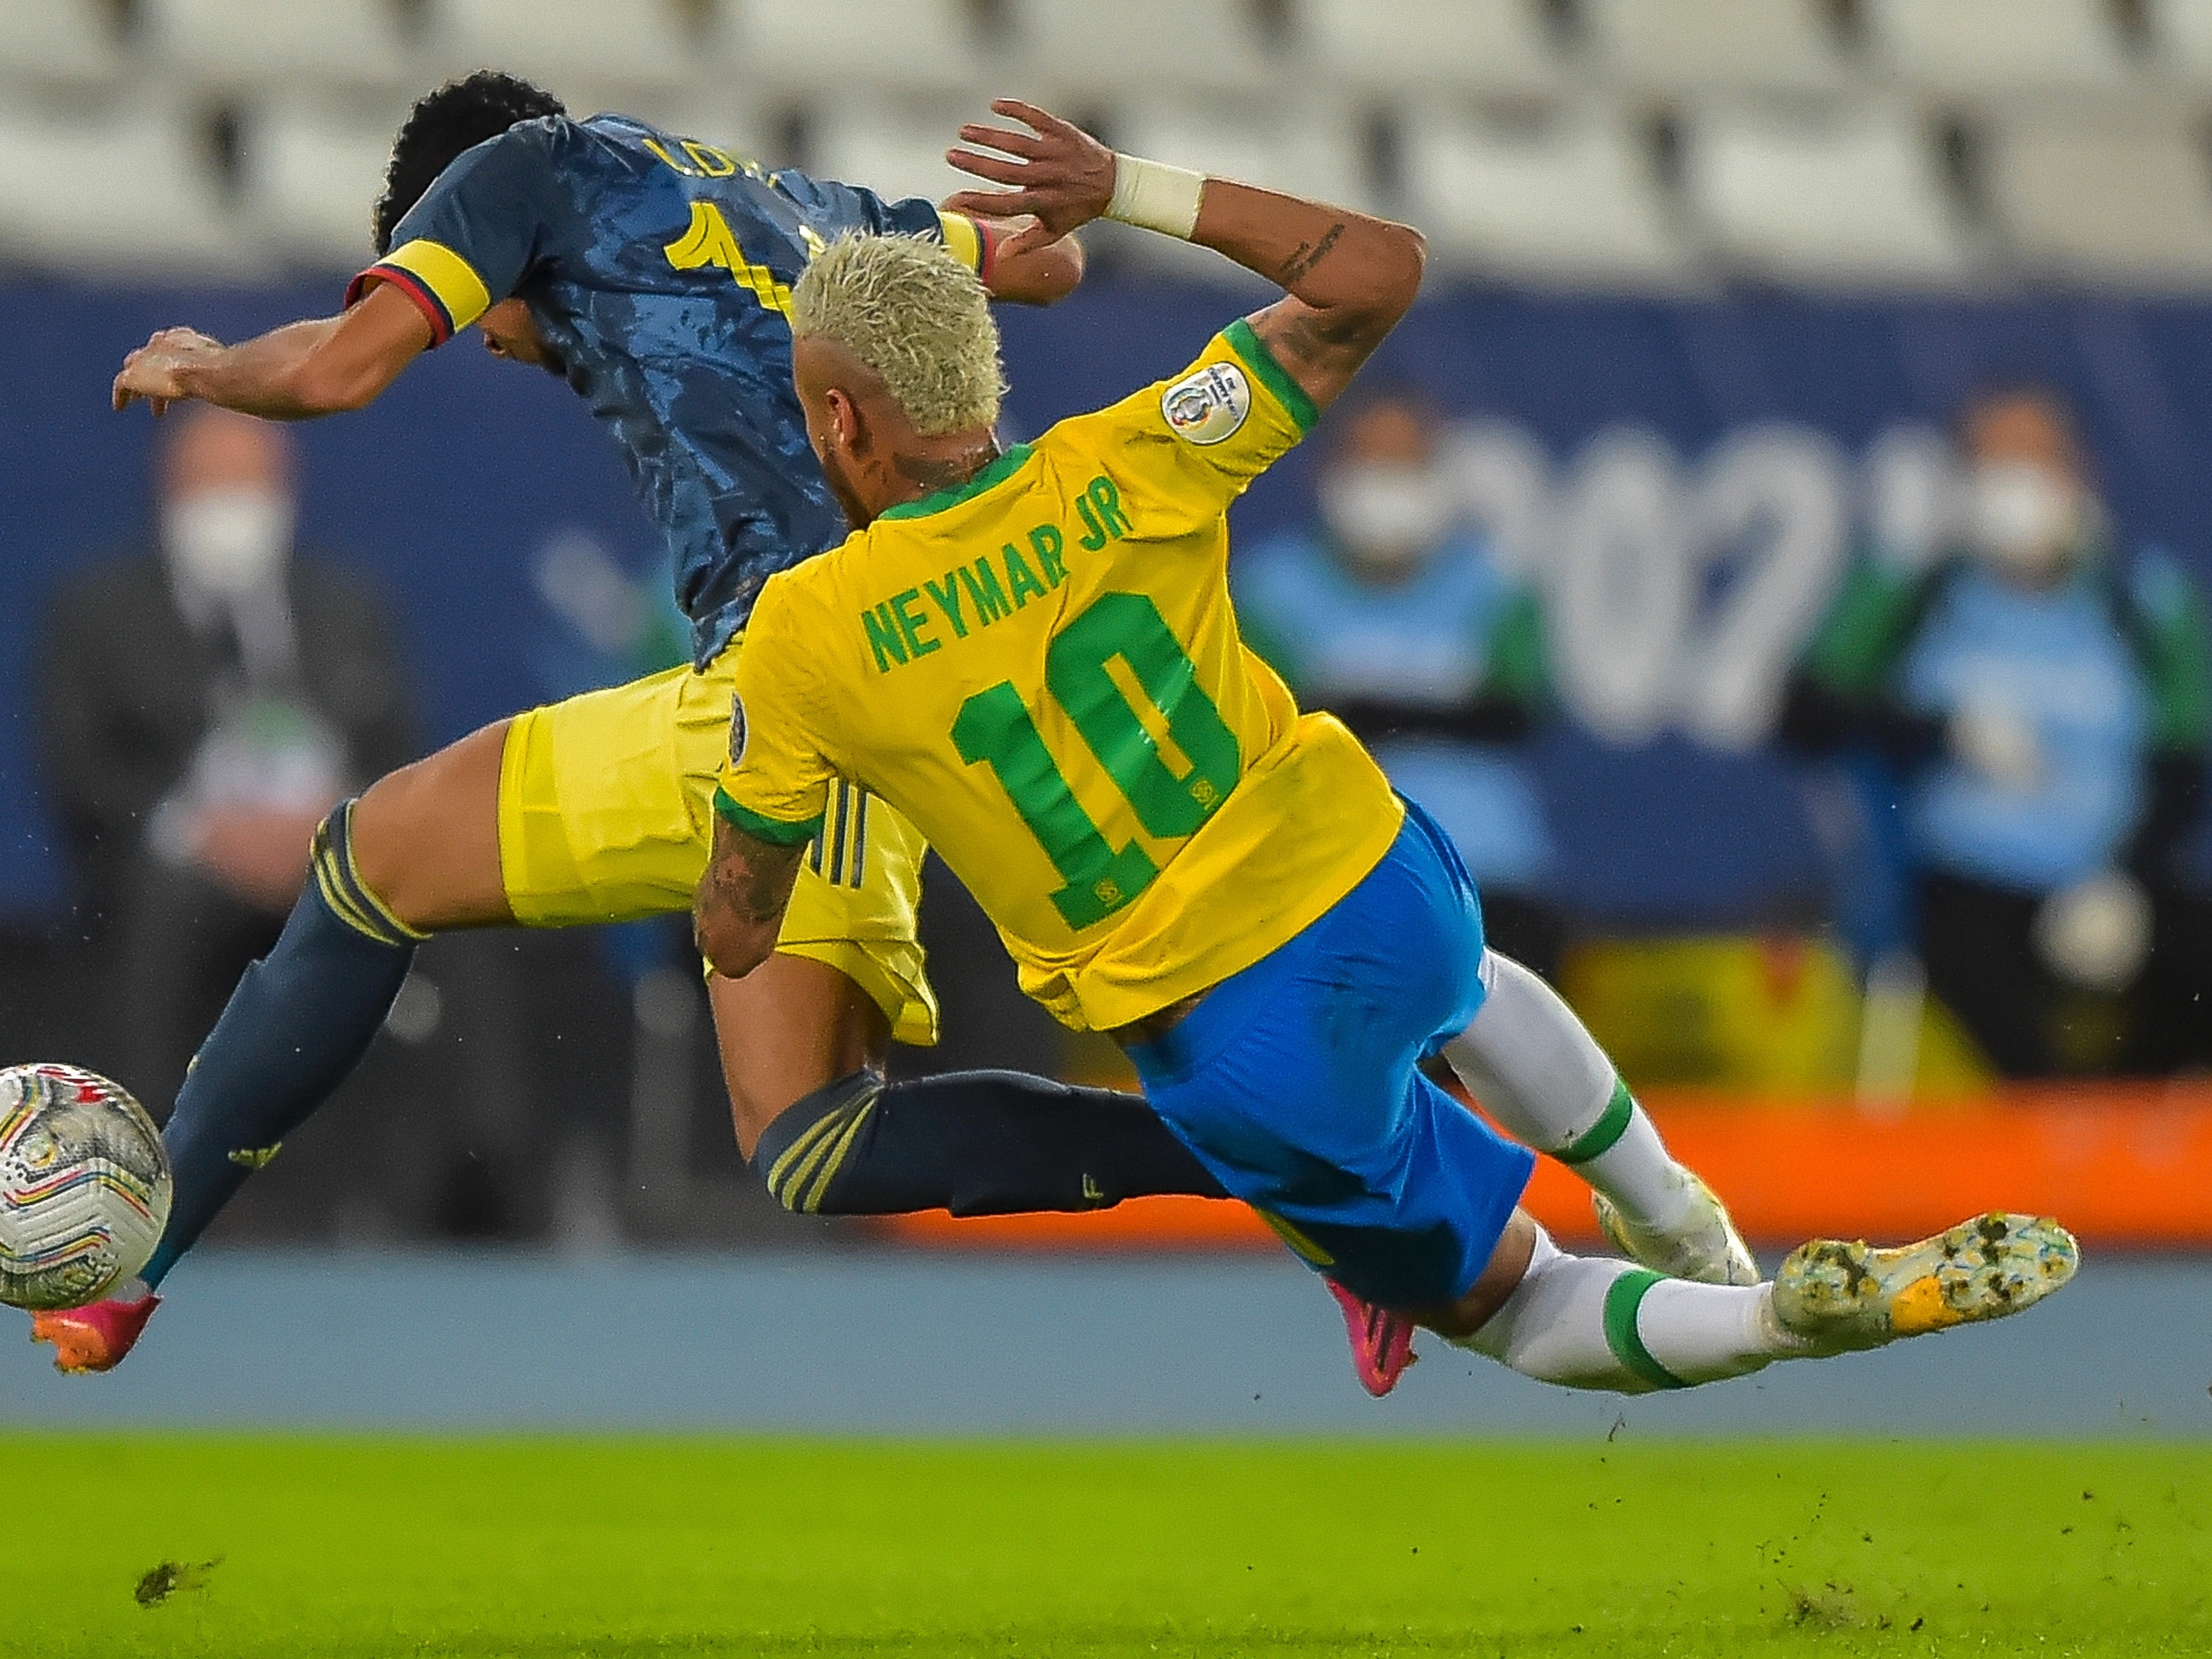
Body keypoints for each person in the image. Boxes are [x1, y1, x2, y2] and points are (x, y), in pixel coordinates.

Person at [695, 103, 2078, 1398]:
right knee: (1472, 984)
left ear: (839, 418)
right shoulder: (1131, 459)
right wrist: (1127, 189)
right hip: (1377, 880)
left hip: (1229, 1033)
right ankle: (1679, 1207)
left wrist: (769, 833)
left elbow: (744, 926)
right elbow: (1376, 272)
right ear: (985, 381)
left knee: (1509, 1301)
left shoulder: (808, 632)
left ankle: (1773, 1315)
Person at [35, 71, 1217, 1375]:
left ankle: (140, 1262)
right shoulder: (791, 204)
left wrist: (209, 368)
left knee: (370, 865)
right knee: (811, 1140)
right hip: (897, 665)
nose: (479, 331)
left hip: (792, 684)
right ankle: (1273, 1169)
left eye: (455, 284)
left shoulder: (525, 171)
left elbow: (338, 367)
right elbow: (1044, 270)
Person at [1782, 389, 2211, 1078]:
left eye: (2035, 458)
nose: (2015, 481)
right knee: (1969, 954)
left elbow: (2183, 762)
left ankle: (2131, 1114)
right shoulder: (1914, 594)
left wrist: (2126, 876)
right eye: (1991, 460)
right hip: (1969, 878)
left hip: (2108, 873)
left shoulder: (2144, 601)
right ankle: (2049, 1121)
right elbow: (1803, 713)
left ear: (2081, 472)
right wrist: (1943, 729)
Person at [37, 407, 415, 1102]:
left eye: (250, 484)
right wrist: (202, 832)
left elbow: (402, 755)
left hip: (330, 852)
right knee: (158, 910)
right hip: (181, 864)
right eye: (211, 484)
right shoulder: (97, 613)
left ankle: (483, 1176)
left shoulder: (346, 606)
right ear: (166, 489)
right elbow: (81, 771)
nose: (232, 508)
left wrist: (329, 827)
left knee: (459, 908)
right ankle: (154, 1161)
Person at [1234, 388, 1560, 976]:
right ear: (1330, 473)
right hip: (1330, 872)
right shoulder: (1271, 592)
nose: (1389, 485)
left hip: (1485, 871)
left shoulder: (1496, 590)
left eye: (1408, 466)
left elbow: (1520, 708)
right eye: (1372, 465)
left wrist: (1367, 710)